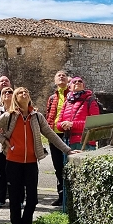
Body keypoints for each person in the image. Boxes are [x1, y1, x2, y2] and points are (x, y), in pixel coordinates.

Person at [0, 87, 80, 224]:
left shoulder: (36, 117)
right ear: (16, 98)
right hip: (13, 162)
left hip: (31, 162)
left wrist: (67, 150)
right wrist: (4, 141)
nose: (25, 94)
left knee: (32, 199)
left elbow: (50, 134)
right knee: (15, 199)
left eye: (27, 92)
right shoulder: (9, 116)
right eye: (21, 92)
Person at [44, 70, 71, 205]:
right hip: (54, 135)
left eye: (64, 75)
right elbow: (49, 114)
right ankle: (61, 196)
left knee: (68, 165)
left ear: (68, 80)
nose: (61, 77)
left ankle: (69, 196)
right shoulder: (52, 98)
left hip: (67, 134)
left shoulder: (71, 95)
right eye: (59, 76)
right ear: (55, 81)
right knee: (58, 166)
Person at [57, 76, 101, 150]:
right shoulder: (67, 102)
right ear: (69, 87)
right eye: (74, 82)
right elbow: (58, 125)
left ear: (83, 86)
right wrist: (63, 125)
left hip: (85, 142)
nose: (77, 82)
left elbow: (94, 123)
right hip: (68, 142)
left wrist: (72, 124)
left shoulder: (90, 100)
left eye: (80, 81)